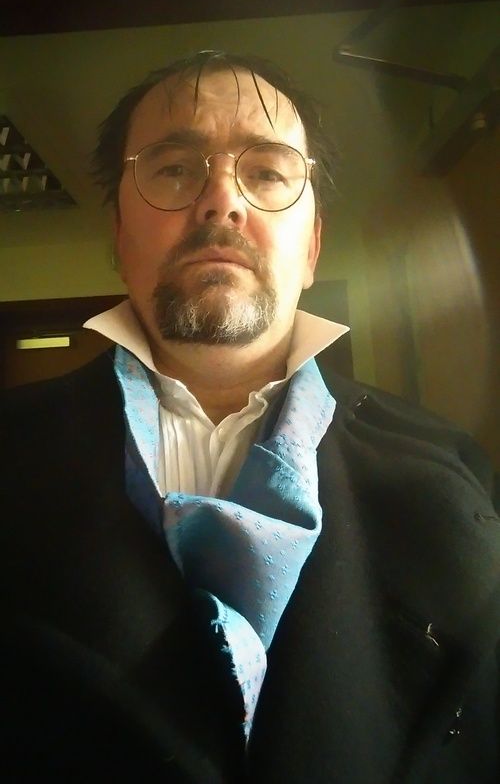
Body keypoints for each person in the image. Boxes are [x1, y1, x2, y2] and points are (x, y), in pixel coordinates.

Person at [1, 51, 499, 784]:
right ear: (118, 236)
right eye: (175, 169)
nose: (221, 202)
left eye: (266, 173)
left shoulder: (457, 480)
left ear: (313, 247)